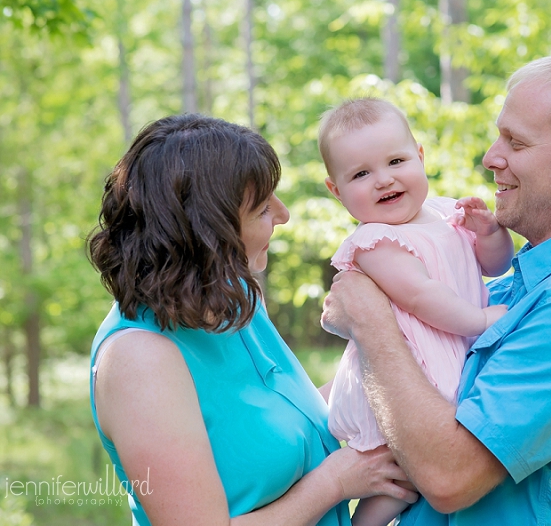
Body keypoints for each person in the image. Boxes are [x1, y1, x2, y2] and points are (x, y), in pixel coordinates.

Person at [321, 46, 551, 525]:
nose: (490, 158)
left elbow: (449, 477)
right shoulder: (520, 284)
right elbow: (417, 369)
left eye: (515, 142)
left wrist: (370, 320)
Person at [87, 114, 417, 526]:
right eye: (262, 207)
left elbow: (280, 420)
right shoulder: (138, 359)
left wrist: (402, 355)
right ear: (210, 233)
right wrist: (336, 482)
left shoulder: (234, 300)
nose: (283, 214)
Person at [317, 98, 514, 525]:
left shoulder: (446, 212)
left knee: (413, 472)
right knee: (397, 472)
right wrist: (479, 322)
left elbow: (494, 266)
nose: (383, 179)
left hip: (451, 350)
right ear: (336, 189)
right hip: (412, 369)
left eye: (395, 160)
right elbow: (421, 296)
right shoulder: (374, 242)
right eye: (361, 173)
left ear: (420, 157)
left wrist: (491, 234)